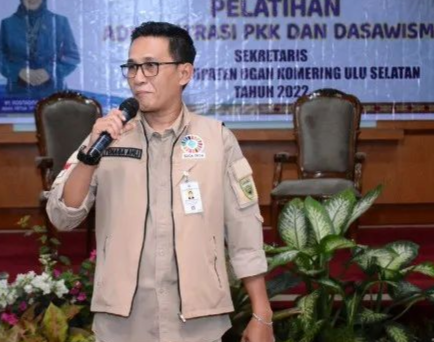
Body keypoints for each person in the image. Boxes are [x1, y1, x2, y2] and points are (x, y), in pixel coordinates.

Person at [46, 22, 274, 342]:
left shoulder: (216, 139)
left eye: (150, 66)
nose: (138, 78)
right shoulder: (106, 138)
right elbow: (62, 217)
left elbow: (244, 228)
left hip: (198, 320)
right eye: (132, 67)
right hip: (123, 320)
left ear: (184, 73)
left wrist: (262, 312)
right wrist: (89, 156)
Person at [0, 0, 81, 99]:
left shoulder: (59, 22)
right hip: (18, 95)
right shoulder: (8, 24)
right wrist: (18, 71)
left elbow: (72, 57)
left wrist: (49, 72)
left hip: (53, 94)